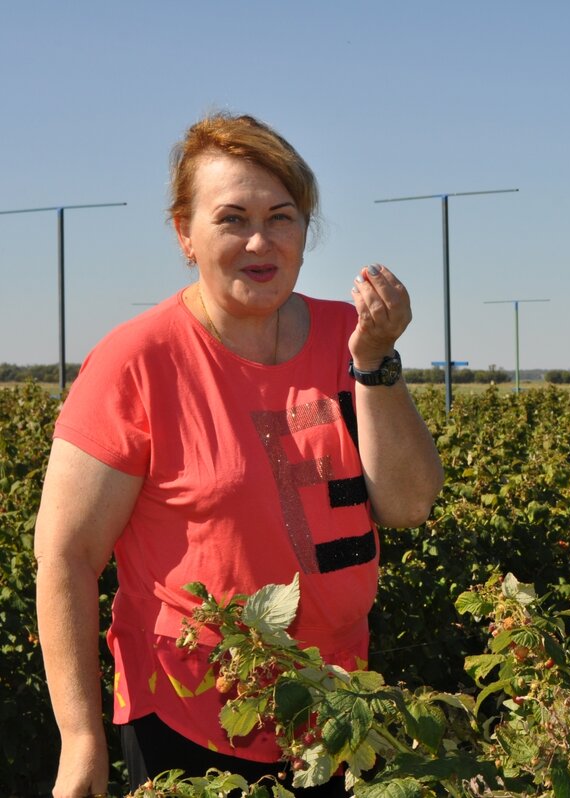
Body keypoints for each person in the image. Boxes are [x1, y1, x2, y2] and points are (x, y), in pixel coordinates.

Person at [34, 112, 445, 797]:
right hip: (188, 722)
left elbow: (408, 503)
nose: (261, 240)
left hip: (337, 710)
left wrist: (375, 363)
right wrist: (81, 741)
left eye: (282, 217)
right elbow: (65, 556)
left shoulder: (348, 336)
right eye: (232, 218)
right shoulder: (138, 362)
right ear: (184, 234)